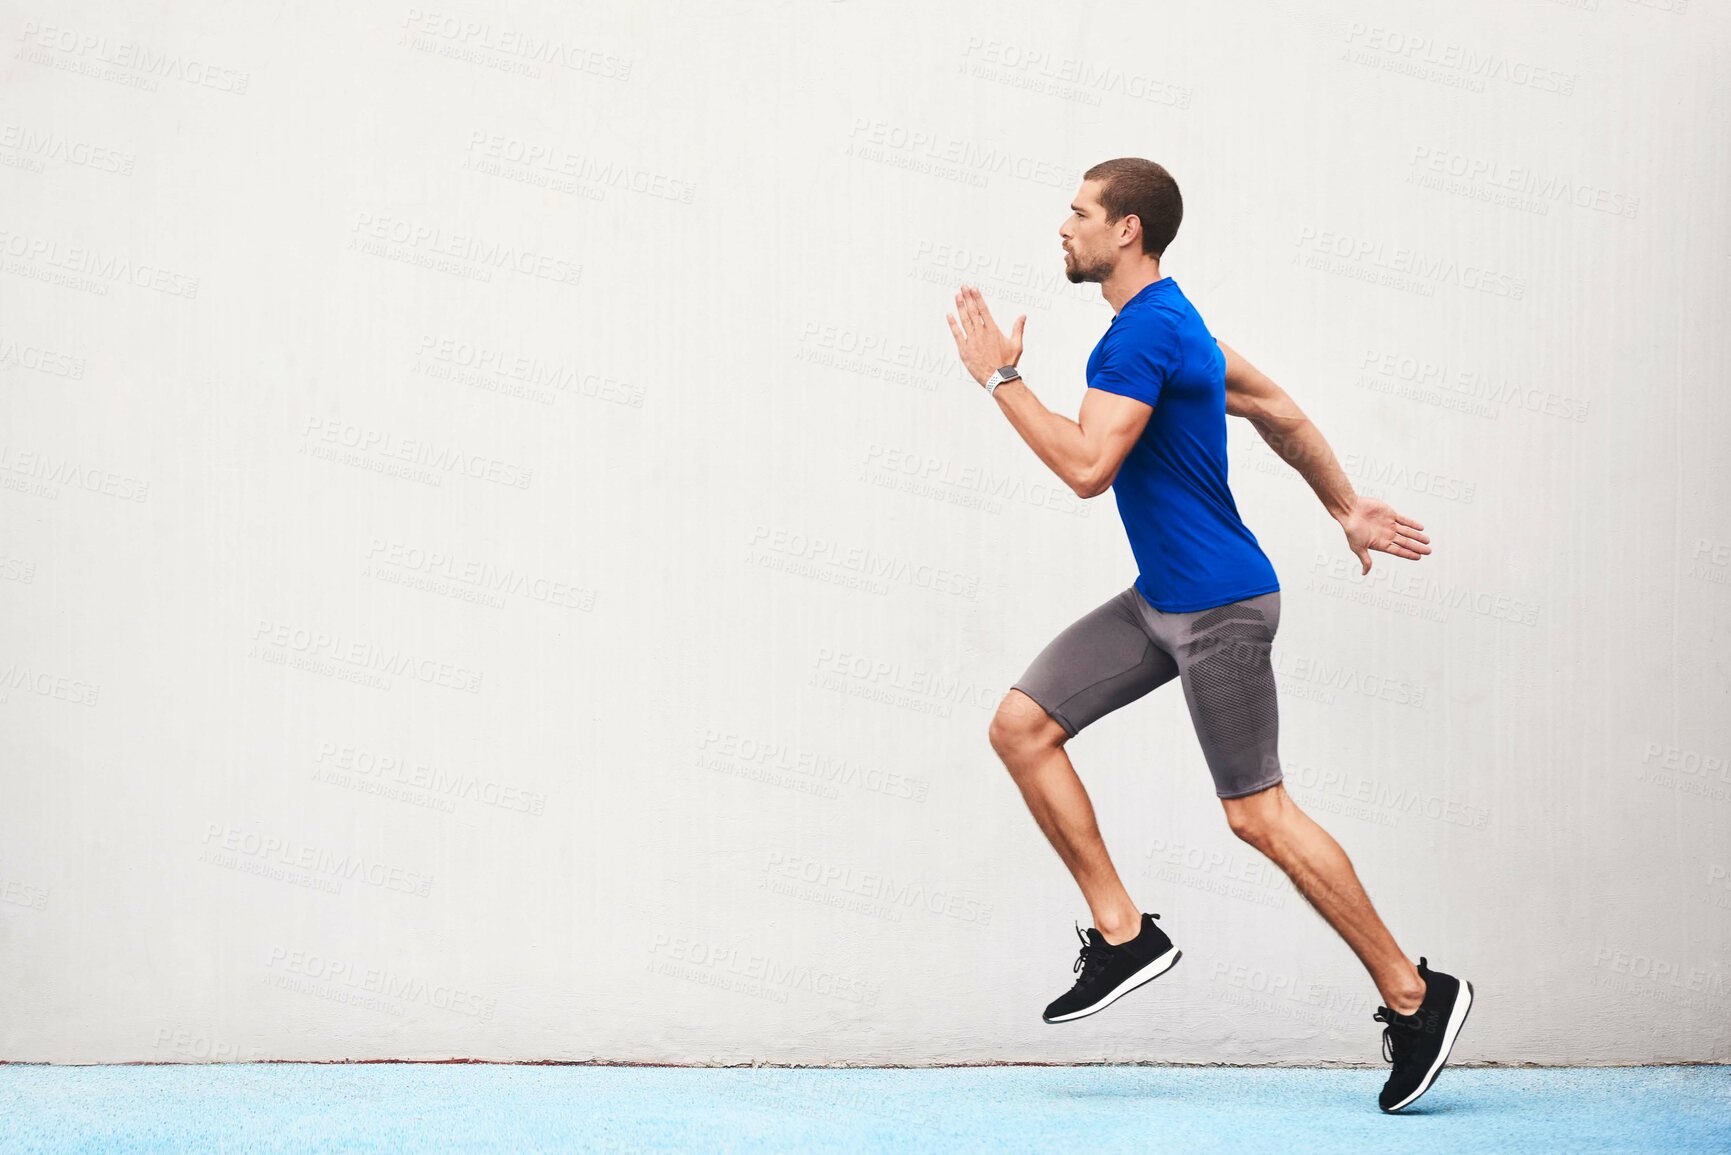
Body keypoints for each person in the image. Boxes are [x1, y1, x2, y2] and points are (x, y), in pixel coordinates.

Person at [944, 157, 1473, 1113]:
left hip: (1219, 612)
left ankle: (1414, 991)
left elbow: (1087, 467)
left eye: (1078, 214)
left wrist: (1001, 380)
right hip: (1162, 600)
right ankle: (1122, 934)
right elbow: (1278, 409)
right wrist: (1345, 507)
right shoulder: (1172, 320)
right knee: (1021, 726)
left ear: (1127, 232)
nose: (1062, 227)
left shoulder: (1135, 341)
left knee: (1256, 814)